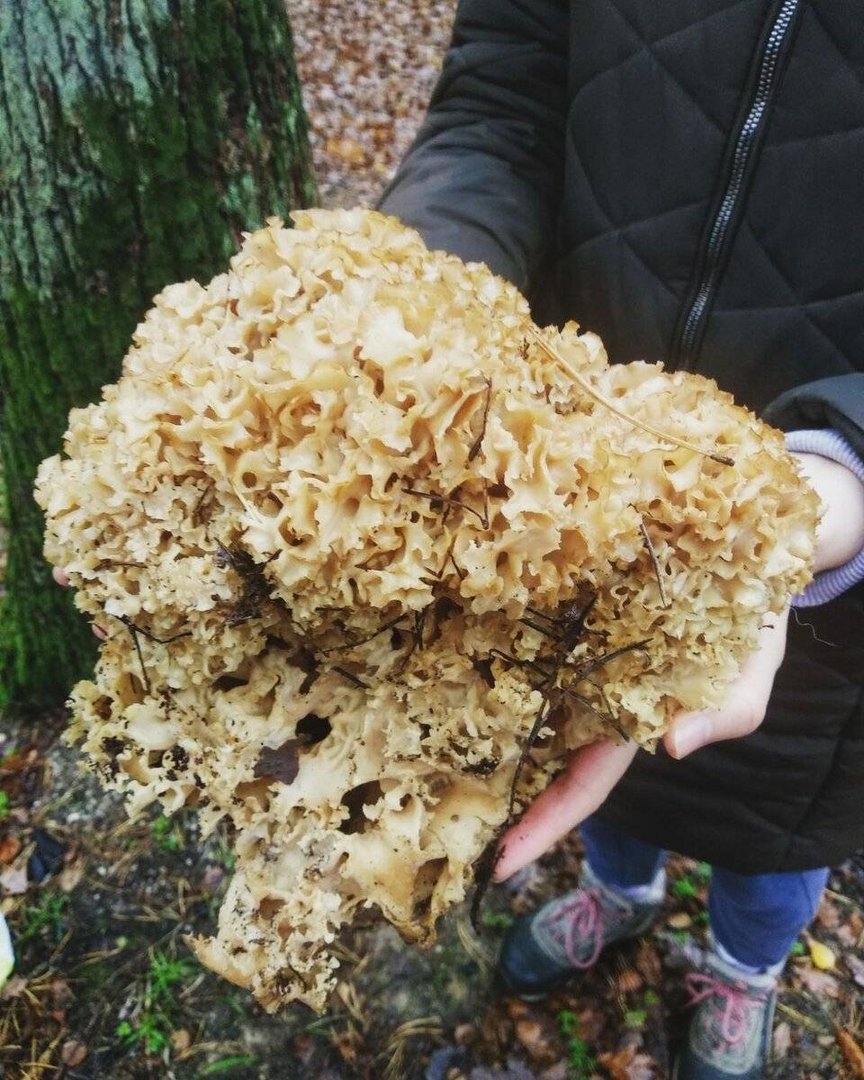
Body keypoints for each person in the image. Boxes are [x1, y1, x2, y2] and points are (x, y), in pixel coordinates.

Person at [377, 3, 864, 1077]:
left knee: (774, 847)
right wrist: (414, 323)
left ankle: (745, 969)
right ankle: (620, 893)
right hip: (557, 497)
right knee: (604, 767)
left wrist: (841, 476)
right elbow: (501, 99)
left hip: (832, 587)